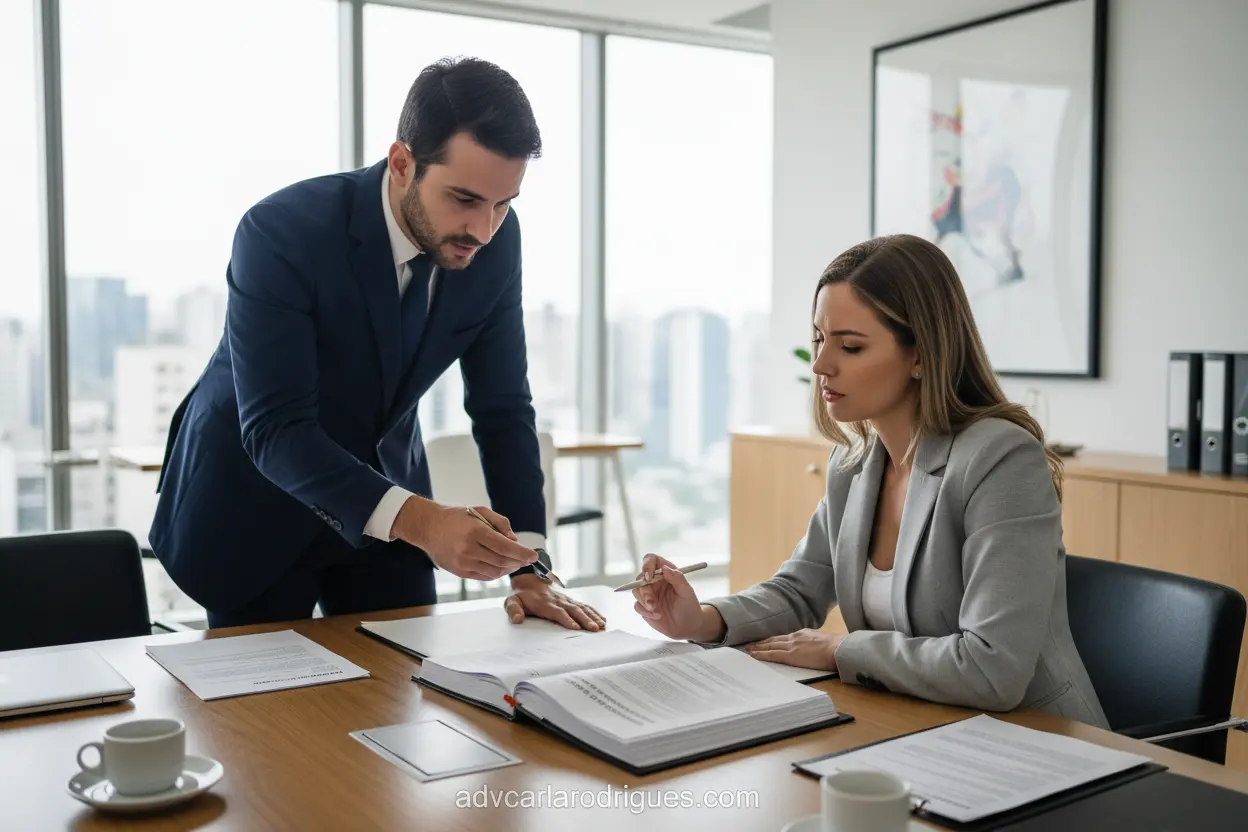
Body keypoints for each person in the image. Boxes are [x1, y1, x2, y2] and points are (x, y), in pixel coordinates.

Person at [149, 57, 605, 633]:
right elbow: (277, 428)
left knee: (406, 678)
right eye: (464, 199)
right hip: (256, 500)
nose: (484, 230)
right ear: (402, 163)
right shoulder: (282, 231)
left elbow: (504, 406)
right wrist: (427, 522)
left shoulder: (495, 243)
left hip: (388, 497)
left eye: (504, 202)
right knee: (267, 690)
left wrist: (530, 565)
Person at [631, 233, 1109, 727]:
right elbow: (799, 590)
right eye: (820, 339)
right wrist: (701, 619)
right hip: (920, 724)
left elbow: (992, 669)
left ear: (920, 354)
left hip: (1037, 738)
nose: (821, 365)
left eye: (850, 346)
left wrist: (840, 650)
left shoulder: (1000, 460)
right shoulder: (853, 465)